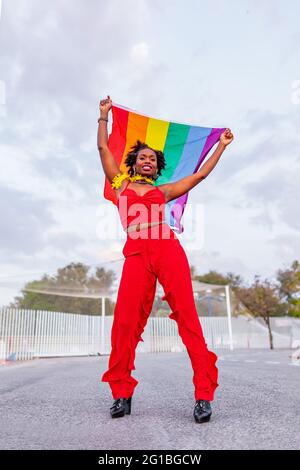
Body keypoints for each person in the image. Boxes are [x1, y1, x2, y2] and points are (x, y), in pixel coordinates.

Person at [97, 95, 234, 423]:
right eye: (142, 157)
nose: (147, 161)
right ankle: (121, 393)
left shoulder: (166, 191)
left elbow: (199, 176)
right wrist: (103, 117)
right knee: (125, 324)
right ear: (133, 162)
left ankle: (203, 395)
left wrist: (223, 146)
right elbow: (103, 150)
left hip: (166, 249)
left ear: (158, 168)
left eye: (152, 160)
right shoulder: (121, 185)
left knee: (188, 317)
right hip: (135, 254)